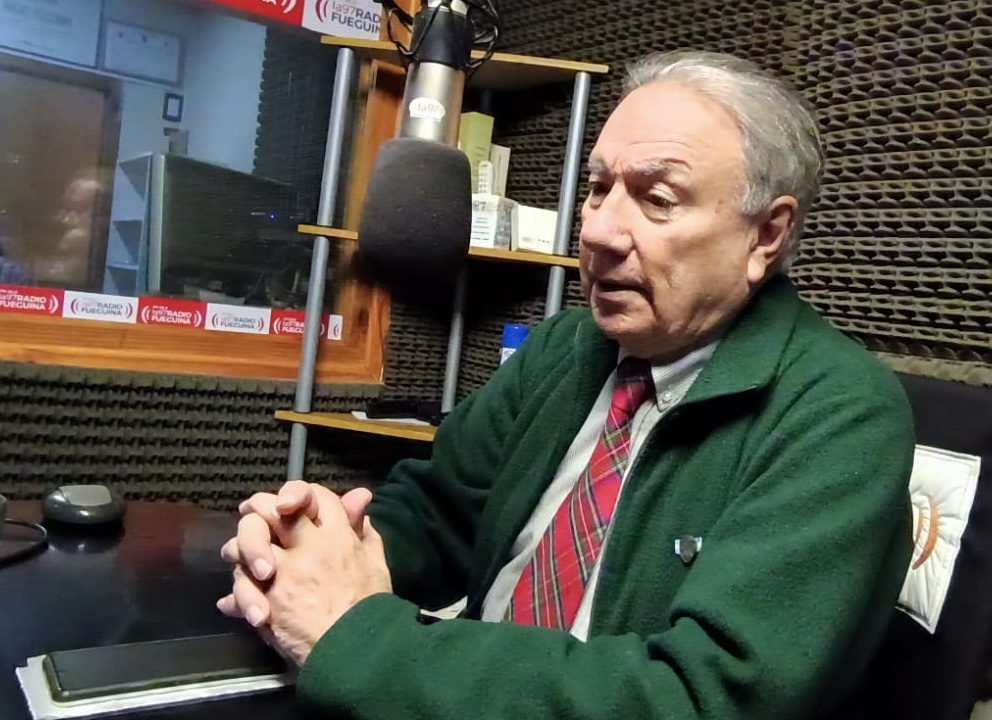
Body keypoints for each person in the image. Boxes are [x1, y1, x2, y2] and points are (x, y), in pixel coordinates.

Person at [218, 49, 915, 720]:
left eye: (657, 198)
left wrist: (360, 641)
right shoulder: (564, 350)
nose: (603, 231)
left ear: (766, 235)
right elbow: (435, 516)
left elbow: (705, 699)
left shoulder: (840, 417)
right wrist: (313, 553)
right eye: (598, 187)